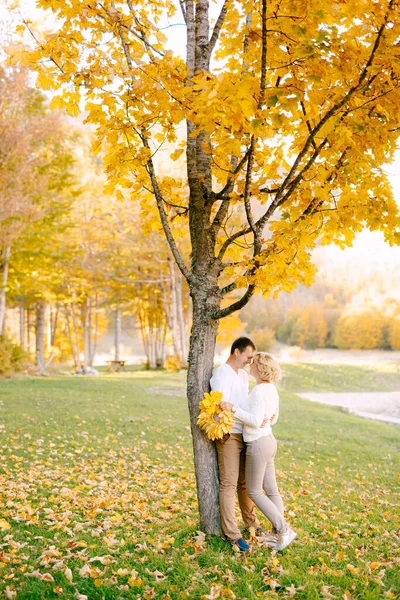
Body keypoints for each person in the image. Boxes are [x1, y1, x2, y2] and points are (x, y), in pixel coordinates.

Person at [220, 352, 297, 551]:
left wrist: (232, 408)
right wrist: (264, 418)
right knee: (271, 490)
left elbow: (254, 420)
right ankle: (278, 535)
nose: (250, 364)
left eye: (253, 363)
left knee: (254, 490)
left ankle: (283, 529)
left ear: (260, 369)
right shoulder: (271, 390)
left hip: (258, 444)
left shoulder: (258, 391)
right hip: (269, 440)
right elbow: (274, 418)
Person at [210, 337, 267, 552]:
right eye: (248, 356)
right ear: (236, 352)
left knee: (245, 485)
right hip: (229, 435)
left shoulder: (243, 376)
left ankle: (252, 524)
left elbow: (244, 404)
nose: (250, 361)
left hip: (246, 433)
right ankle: (232, 535)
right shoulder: (222, 373)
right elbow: (221, 406)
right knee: (229, 484)